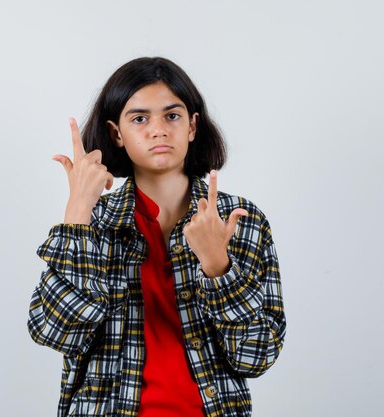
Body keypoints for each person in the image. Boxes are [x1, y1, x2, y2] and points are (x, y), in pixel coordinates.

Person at [28, 57, 286, 417]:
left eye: (172, 115)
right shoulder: (93, 221)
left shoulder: (241, 220)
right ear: (117, 134)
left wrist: (218, 267)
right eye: (139, 118)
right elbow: (55, 333)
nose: (158, 130)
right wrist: (77, 212)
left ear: (193, 125)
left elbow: (256, 358)